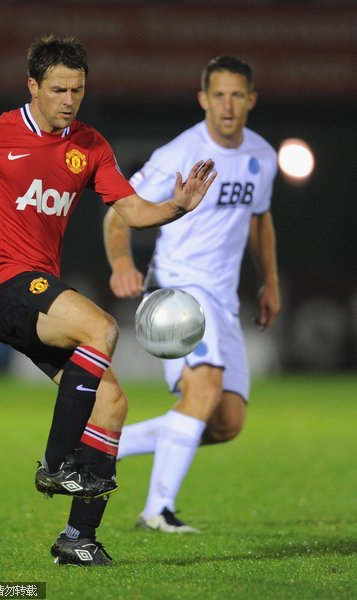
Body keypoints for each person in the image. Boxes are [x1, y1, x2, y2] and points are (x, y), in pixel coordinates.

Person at [0, 35, 216, 566]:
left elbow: (132, 211)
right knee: (102, 329)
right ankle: (56, 461)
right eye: (59, 89)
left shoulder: (89, 144)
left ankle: (78, 540)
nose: (69, 99)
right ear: (33, 86)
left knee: (112, 403)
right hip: (1, 284)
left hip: (37, 292)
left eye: (78, 89)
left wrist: (177, 206)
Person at [104, 56, 280, 534]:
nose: (227, 105)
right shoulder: (179, 153)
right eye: (218, 95)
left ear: (251, 100)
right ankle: (157, 510)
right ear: (203, 99)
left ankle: (100, 445)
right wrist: (122, 262)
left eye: (237, 95)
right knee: (202, 391)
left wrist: (271, 283)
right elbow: (119, 212)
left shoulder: (262, 156)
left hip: (223, 299)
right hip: (180, 290)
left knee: (225, 423)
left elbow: (259, 220)